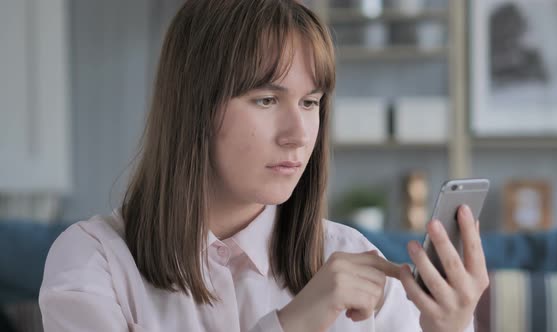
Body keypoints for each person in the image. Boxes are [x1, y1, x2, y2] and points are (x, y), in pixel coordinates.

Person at [39, 0, 489, 331]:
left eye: (311, 102)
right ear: (194, 107)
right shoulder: (93, 262)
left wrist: (449, 327)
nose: (298, 133)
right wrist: (293, 323)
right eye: (267, 99)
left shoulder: (352, 258)